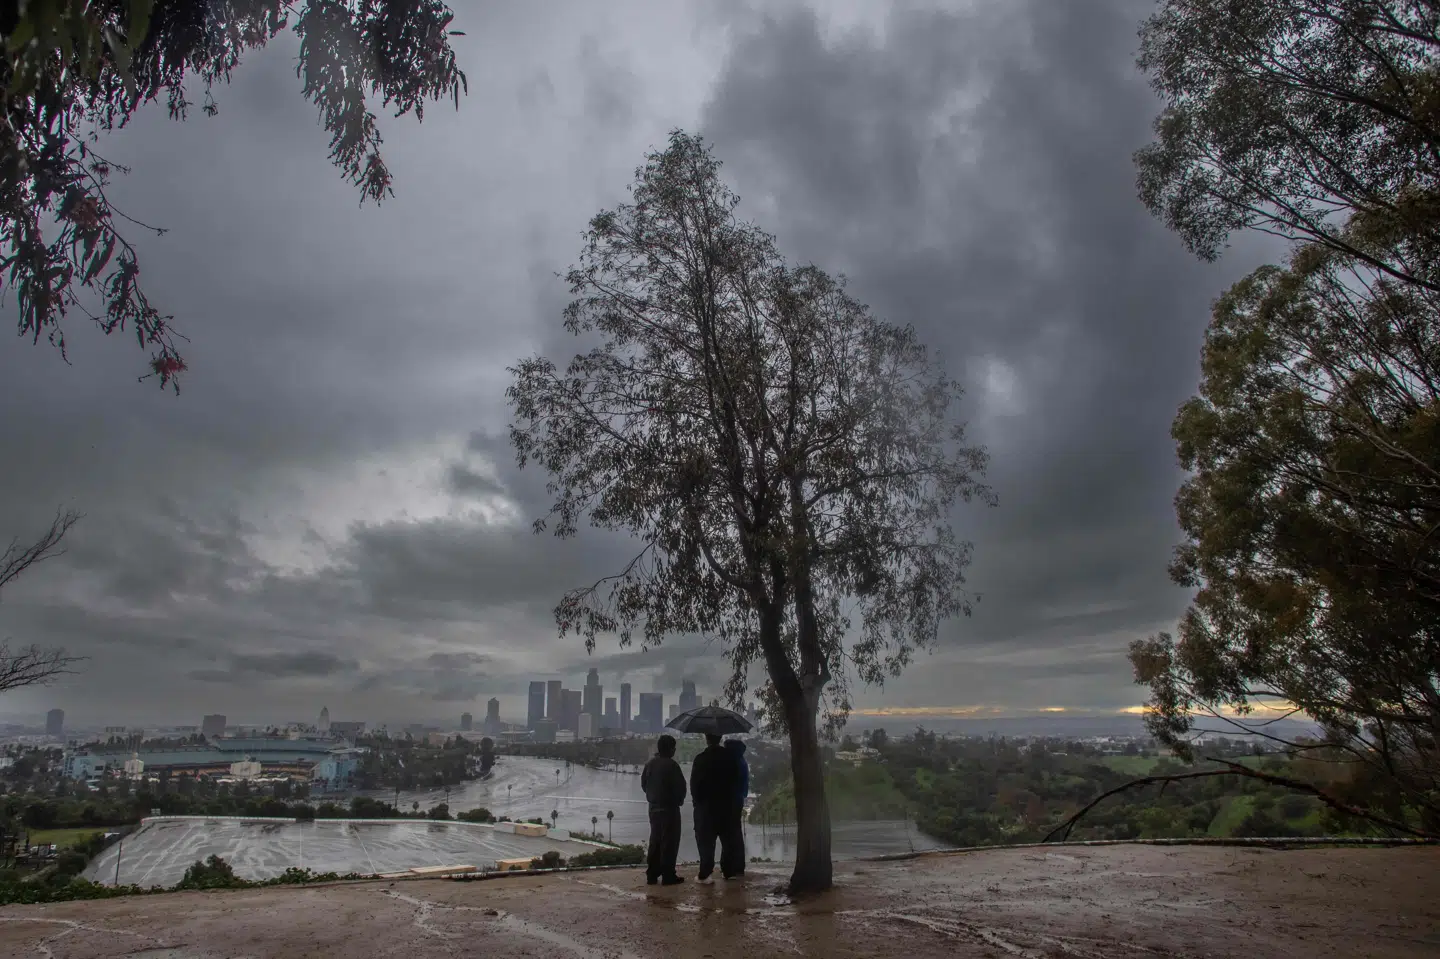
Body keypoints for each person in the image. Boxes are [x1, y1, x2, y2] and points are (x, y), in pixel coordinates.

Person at [689, 732, 741, 882]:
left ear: (706, 739)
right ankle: (728, 871)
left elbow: (694, 785)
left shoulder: (700, 759)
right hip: (727, 806)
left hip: (705, 808)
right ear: (720, 738)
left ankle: (706, 873)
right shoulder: (731, 758)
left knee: (705, 841)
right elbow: (735, 782)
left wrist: (697, 803)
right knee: (728, 840)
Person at [641, 734, 686, 885]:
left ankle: (652, 874)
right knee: (670, 842)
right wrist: (678, 801)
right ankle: (668, 875)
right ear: (671, 749)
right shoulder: (672, 766)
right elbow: (681, 788)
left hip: (653, 809)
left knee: (655, 840)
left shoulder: (649, 764)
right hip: (670, 810)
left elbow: (644, 785)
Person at [723, 738, 749, 876]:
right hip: (738, 800)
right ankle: (737, 866)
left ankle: (733, 866)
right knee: (735, 832)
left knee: (731, 833)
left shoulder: (735, 763)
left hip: (732, 801)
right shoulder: (741, 761)